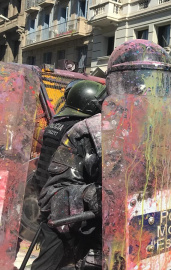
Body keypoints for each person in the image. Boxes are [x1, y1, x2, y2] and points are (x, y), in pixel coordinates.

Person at [36, 39, 171, 270]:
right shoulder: (90, 132)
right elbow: (51, 197)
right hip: (108, 252)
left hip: (170, 248)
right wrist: (94, 196)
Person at [31, 80, 107, 270]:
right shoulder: (79, 129)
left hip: (47, 190)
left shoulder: (56, 123)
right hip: (60, 200)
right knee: (52, 260)